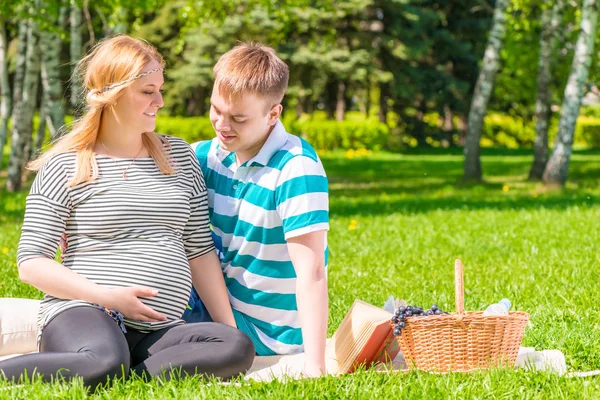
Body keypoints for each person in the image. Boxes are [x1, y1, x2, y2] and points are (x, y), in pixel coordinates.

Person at [0, 35, 254, 390]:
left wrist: (227, 327)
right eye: (148, 91)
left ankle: (119, 373)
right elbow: (30, 262)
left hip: (159, 327)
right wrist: (107, 297)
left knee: (236, 347)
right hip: (85, 311)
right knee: (104, 360)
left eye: (160, 90)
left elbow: (199, 250)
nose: (160, 101)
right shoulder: (66, 165)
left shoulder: (178, 157)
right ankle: (101, 366)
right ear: (113, 93)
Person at [181, 43, 329, 376]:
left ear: (273, 114)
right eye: (215, 109)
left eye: (238, 118)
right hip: (215, 307)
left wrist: (315, 367)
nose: (222, 124)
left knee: (125, 327)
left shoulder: (296, 169)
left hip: (262, 333)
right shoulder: (206, 156)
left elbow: (313, 272)